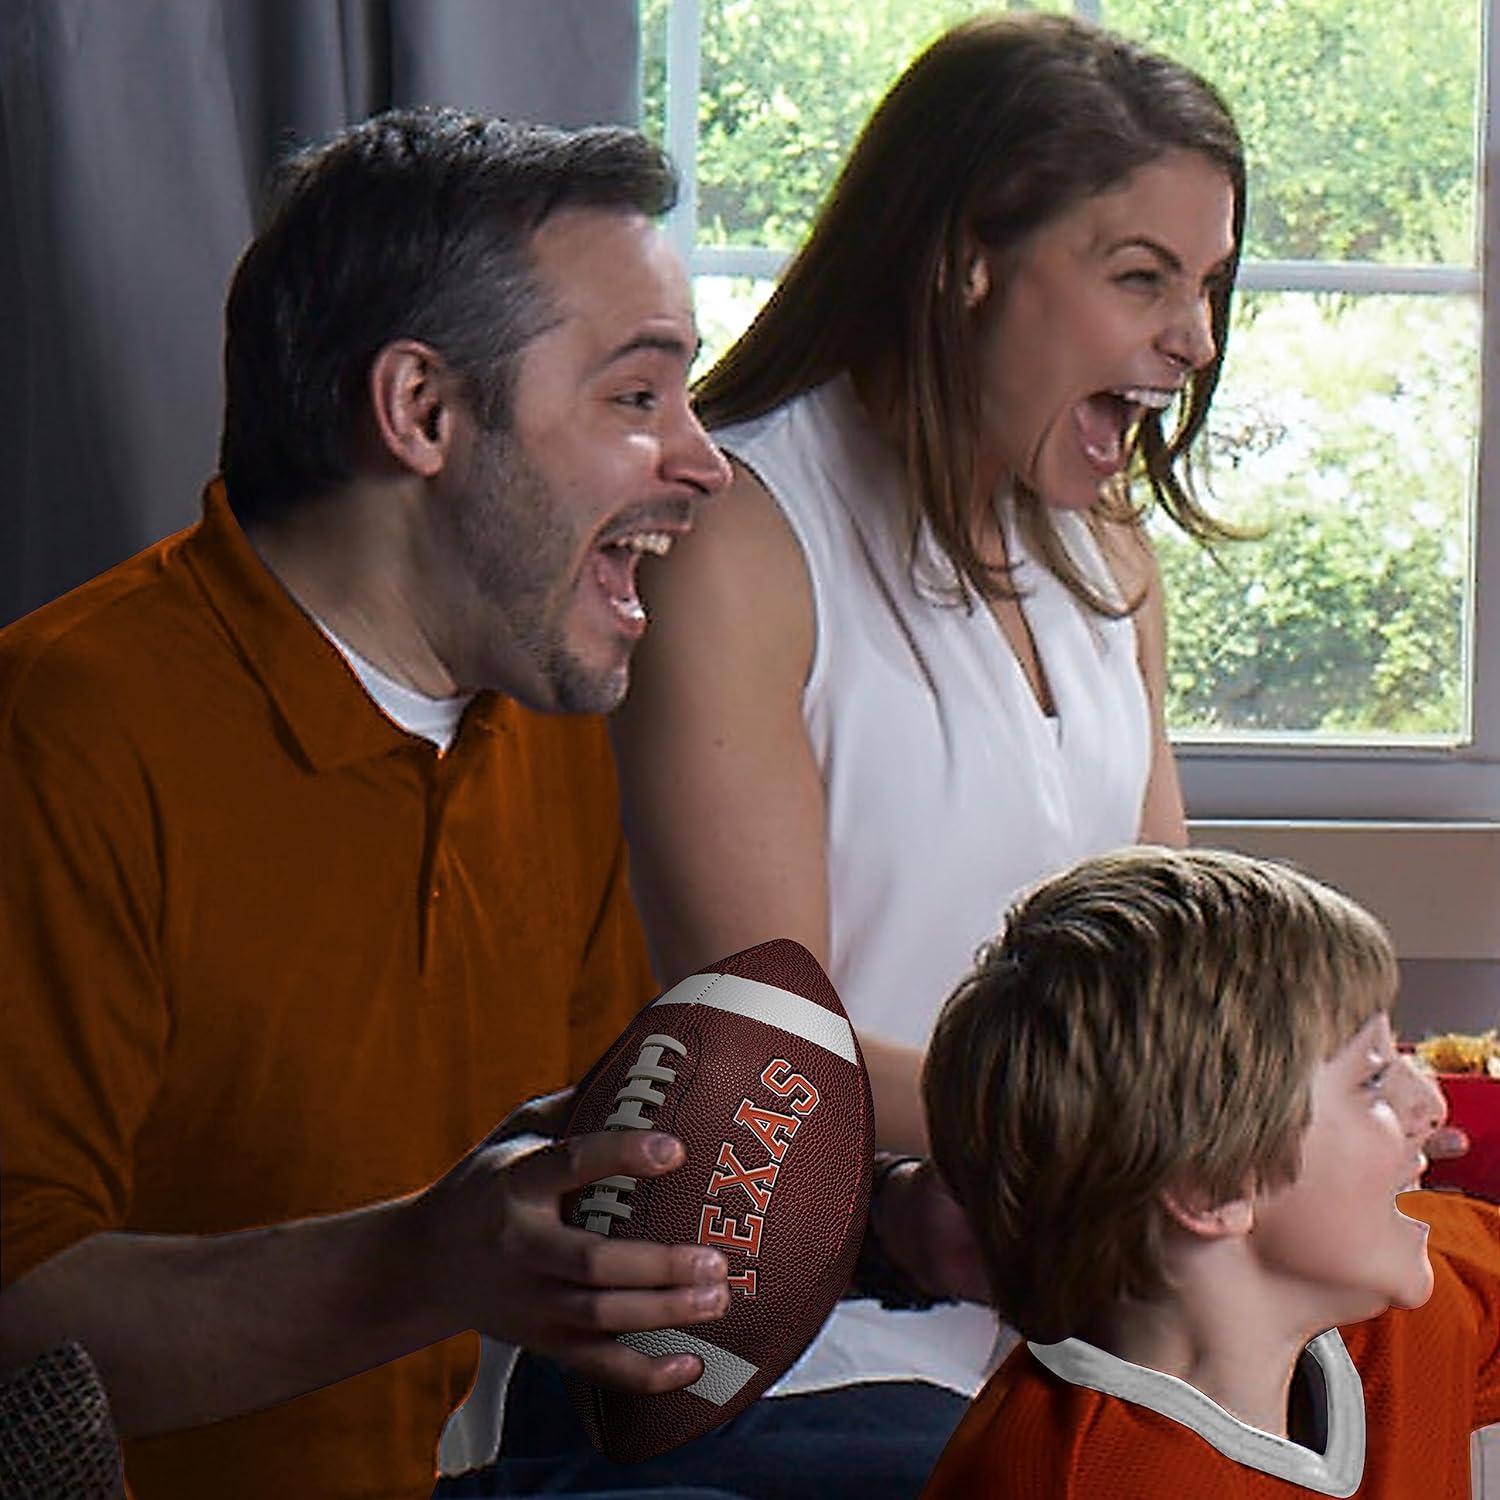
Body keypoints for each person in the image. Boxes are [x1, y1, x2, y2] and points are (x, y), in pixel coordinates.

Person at [0, 107, 749, 1500]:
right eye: (638, 399)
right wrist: (419, 1264)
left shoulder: (545, 728)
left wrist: (884, 1227)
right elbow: (11, 1329)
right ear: (422, 412)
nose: (703, 461)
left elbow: (590, 1154)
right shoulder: (59, 734)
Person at [566, 12, 1245, 1495]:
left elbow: (1160, 981)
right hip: (797, 1327)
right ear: (964, 258)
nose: (1192, 338)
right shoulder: (739, 534)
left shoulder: (1108, 548)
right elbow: (766, 1055)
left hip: (1062, 1292)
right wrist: (1109, 1143)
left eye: (1204, 286)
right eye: (1141, 277)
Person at [920, 845, 1500, 1497]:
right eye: (1370, 1079)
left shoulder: (1396, 1316)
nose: (1430, 1103)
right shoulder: (1073, 1479)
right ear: (1212, 1188)